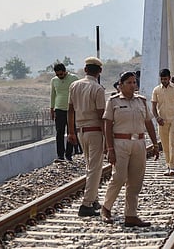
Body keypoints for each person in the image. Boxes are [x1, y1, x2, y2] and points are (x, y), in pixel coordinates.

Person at [101, 71, 159, 227]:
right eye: (129, 83)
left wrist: (155, 144)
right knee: (118, 177)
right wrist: (110, 149)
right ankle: (106, 208)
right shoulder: (113, 102)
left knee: (135, 181)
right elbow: (107, 126)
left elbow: (148, 123)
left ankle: (131, 215)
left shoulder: (141, 101)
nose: (133, 85)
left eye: (134, 82)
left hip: (139, 143)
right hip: (120, 143)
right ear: (121, 85)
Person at [67, 57, 105, 217]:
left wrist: (71, 132)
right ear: (99, 71)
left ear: (85, 70)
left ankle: (94, 198)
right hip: (95, 131)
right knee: (95, 167)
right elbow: (101, 115)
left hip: (80, 130)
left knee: (89, 165)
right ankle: (87, 203)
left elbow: (70, 110)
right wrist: (108, 137)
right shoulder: (97, 89)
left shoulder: (74, 85)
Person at [151, 69, 174, 176]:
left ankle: (173, 167)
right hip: (162, 121)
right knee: (165, 144)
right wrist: (157, 117)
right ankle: (167, 165)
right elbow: (153, 106)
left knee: (173, 142)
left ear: (169, 78)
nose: (163, 81)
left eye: (165, 79)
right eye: (162, 79)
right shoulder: (156, 90)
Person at [50, 63, 79, 162]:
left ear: (65, 71)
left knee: (71, 131)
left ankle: (69, 154)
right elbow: (53, 95)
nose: (60, 77)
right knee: (59, 133)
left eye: (61, 74)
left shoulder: (74, 78)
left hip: (71, 110)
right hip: (59, 109)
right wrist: (52, 109)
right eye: (58, 75)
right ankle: (60, 155)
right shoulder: (54, 81)